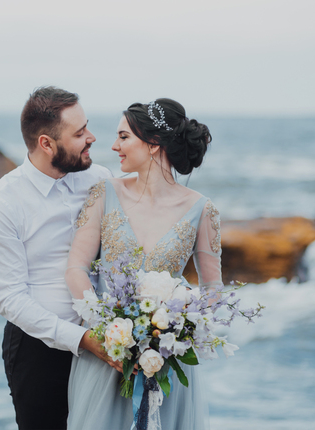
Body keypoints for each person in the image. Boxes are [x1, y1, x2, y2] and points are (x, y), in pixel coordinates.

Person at [65, 98, 220, 430]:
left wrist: (182, 330)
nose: (114, 146)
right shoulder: (103, 193)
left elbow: (213, 288)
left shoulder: (201, 209)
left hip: (165, 364)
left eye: (124, 137)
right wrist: (106, 329)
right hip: (106, 357)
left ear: (153, 144)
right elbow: (76, 266)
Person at [0, 86, 116, 430]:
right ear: (46, 144)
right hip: (38, 350)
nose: (92, 138)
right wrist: (81, 340)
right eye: (79, 133)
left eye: (88, 127)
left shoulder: (100, 180)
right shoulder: (1, 204)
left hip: (108, 339)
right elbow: (10, 298)